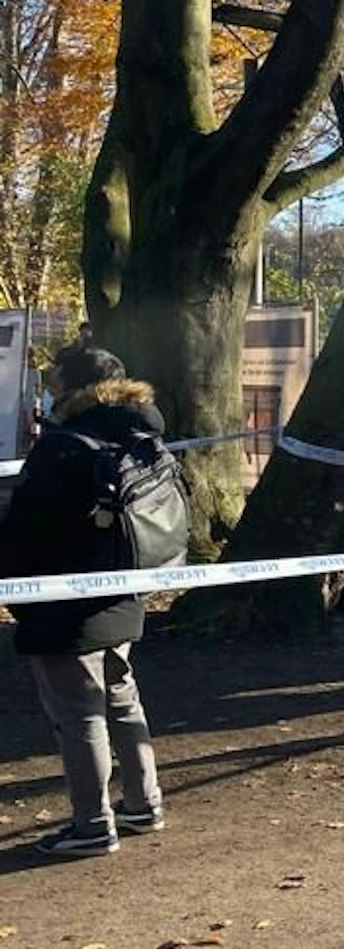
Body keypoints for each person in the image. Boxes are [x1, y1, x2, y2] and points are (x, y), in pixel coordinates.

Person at [1, 348, 175, 857]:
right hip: (124, 586)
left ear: (74, 385)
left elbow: (26, 526)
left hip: (63, 599)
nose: (48, 384)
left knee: (78, 715)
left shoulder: (64, 446)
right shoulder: (138, 434)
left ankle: (93, 825)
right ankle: (144, 803)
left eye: (54, 376)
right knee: (120, 696)